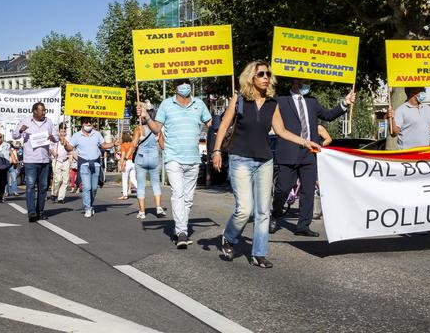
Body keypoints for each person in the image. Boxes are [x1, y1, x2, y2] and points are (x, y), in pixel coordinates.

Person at [212, 61, 322, 268]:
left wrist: (305, 142)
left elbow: (281, 131)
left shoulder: (273, 103)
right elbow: (225, 124)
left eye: (268, 74)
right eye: (261, 73)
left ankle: (259, 254)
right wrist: (216, 151)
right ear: (251, 77)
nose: (265, 77)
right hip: (240, 158)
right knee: (245, 209)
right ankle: (229, 236)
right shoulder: (240, 98)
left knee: (263, 211)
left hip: (264, 161)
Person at [269, 78, 355, 236]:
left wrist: (345, 103)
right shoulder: (280, 100)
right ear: (295, 82)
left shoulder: (312, 102)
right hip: (289, 151)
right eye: (305, 82)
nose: (308, 85)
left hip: (310, 153)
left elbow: (328, 115)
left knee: (308, 191)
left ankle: (303, 226)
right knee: (283, 188)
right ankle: (275, 214)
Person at [137, 78, 212, 248]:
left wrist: (233, 113)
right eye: (181, 83)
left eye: (187, 82)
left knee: (188, 199)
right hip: (173, 158)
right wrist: (147, 116)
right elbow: (157, 128)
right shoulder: (166, 104)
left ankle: (181, 228)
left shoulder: (199, 104)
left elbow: (211, 123)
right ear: (174, 87)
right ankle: (181, 232)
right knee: (178, 194)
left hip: (193, 159)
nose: (185, 85)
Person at [61, 117, 119, 218]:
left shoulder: (97, 134)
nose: (88, 125)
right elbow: (70, 147)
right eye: (86, 123)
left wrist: (113, 143)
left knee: (93, 189)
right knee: (86, 187)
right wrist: (65, 144)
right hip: (83, 164)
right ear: (82, 124)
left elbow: (104, 145)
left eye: (90, 123)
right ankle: (87, 208)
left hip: (96, 164)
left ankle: (90, 205)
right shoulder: (76, 136)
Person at [12, 102, 58, 222]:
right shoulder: (26, 121)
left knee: (43, 187)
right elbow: (15, 135)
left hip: (44, 160)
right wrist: (21, 130)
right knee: (31, 186)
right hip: (31, 160)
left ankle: (40, 211)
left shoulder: (48, 122)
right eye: (42, 110)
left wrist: (52, 138)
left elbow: (56, 137)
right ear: (34, 111)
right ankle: (32, 212)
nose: (44, 112)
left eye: (44, 110)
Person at [125, 104, 165, 219]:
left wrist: (125, 158)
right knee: (156, 184)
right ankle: (158, 207)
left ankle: (142, 212)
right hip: (154, 159)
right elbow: (163, 146)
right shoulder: (158, 131)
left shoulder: (139, 129)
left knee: (141, 186)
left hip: (141, 159)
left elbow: (133, 145)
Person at [50, 123, 70, 204]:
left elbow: (68, 146)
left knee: (65, 180)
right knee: (58, 179)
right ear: (59, 130)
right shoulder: (55, 137)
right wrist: (53, 152)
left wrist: (63, 138)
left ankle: (61, 197)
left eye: (64, 131)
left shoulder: (68, 137)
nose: (63, 132)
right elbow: (50, 148)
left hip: (66, 160)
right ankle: (54, 193)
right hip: (56, 160)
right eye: (62, 130)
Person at [118, 132, 138, 200]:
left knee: (124, 179)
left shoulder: (123, 145)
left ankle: (125, 195)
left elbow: (123, 155)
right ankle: (140, 191)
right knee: (133, 178)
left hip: (126, 162)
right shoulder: (132, 144)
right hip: (133, 162)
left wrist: (121, 164)